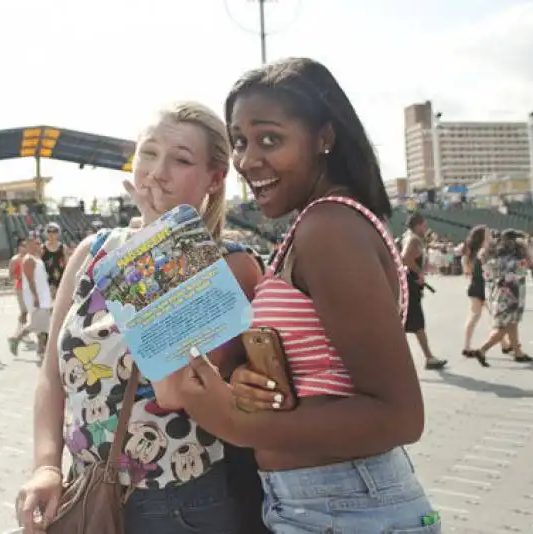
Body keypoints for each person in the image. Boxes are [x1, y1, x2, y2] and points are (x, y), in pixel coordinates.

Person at [177, 57, 440, 532]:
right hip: (325, 504)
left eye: (270, 139)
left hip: (349, 506)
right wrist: (244, 377)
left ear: (325, 138)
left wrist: (238, 424)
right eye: (239, 142)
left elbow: (400, 415)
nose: (248, 159)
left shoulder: (330, 228)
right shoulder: (313, 226)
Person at [16, 101, 265, 534]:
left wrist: (158, 237)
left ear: (215, 177)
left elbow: (174, 391)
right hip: (90, 489)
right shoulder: (91, 253)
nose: (157, 171)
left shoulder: (232, 266)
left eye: (181, 159)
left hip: (181, 503)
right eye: (148, 152)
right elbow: (51, 374)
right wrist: (46, 467)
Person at [466, 229, 533, 366]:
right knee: (505, 327)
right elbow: (528, 266)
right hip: (513, 295)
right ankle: (483, 349)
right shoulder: (518, 259)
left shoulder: (494, 258)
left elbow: (488, 274)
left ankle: (518, 352)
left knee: (511, 324)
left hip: (498, 295)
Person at [400, 212, 447, 370]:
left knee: (409, 322)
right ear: (418, 225)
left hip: (408, 284)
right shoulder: (413, 239)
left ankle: (428, 357)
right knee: (417, 322)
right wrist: (419, 272)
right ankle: (429, 358)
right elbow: (405, 257)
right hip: (411, 285)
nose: (425, 228)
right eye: (424, 225)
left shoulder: (408, 236)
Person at [9, 235, 51, 359]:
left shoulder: (38, 259)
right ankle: (16, 338)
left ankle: (40, 350)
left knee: (44, 325)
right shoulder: (28, 260)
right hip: (35, 297)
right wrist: (35, 296)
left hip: (43, 295)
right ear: (29, 245)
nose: (38, 246)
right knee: (38, 324)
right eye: (35, 244)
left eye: (39, 243)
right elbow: (30, 280)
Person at [462, 225, 489, 356]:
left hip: (476, 286)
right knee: (476, 316)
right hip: (481, 287)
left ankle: (505, 343)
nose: (490, 236)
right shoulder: (482, 252)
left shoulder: (473, 253)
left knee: (476, 316)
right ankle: (467, 347)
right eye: (488, 234)